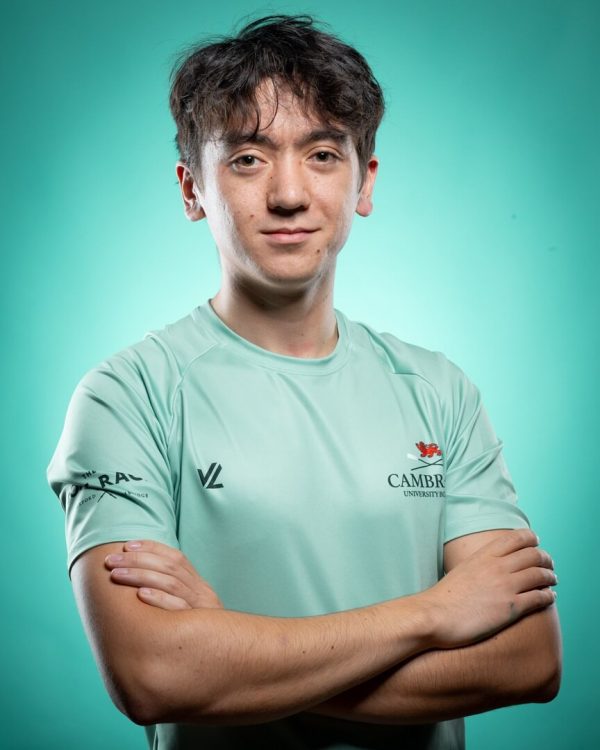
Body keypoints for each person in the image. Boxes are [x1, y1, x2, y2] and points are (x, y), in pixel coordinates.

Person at [47, 14, 562, 750]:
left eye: (322, 154)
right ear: (192, 189)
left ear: (364, 181)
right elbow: (153, 675)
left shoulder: (441, 391)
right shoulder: (127, 397)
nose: (289, 193)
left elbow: (529, 660)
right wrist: (433, 614)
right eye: (247, 159)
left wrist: (232, 653)